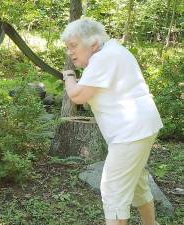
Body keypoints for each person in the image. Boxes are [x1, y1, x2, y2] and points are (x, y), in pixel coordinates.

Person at [61, 18, 163, 225]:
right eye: (67, 47)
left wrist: (69, 77)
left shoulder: (102, 58)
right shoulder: (113, 51)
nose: (69, 52)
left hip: (131, 132)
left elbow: (77, 96)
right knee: (137, 183)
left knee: (113, 190)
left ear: (94, 44)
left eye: (73, 46)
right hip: (140, 128)